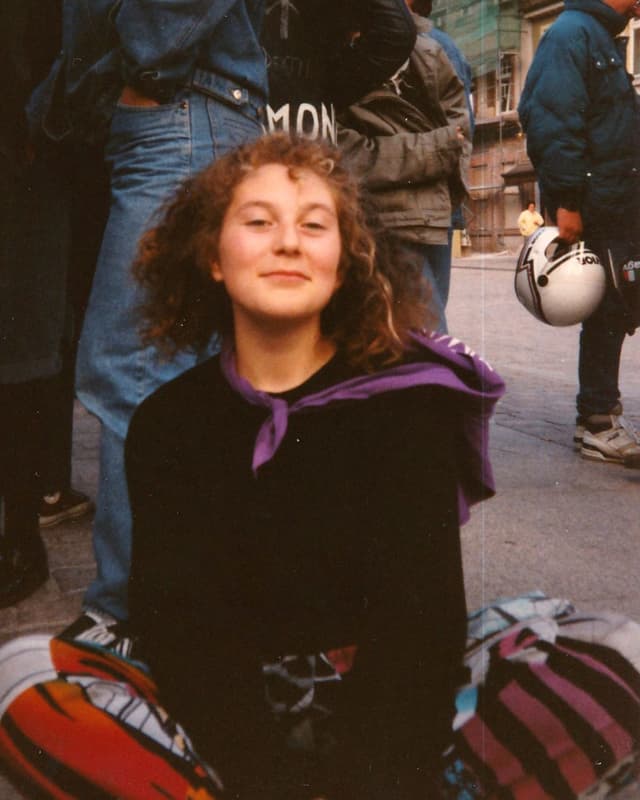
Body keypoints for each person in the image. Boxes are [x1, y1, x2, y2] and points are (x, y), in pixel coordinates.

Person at [0, 134, 505, 799]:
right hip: (228, 715)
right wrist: (262, 777)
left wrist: (373, 780)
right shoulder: (168, 423)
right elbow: (179, 627)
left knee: (614, 654)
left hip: (386, 704)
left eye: (314, 225)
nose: (288, 242)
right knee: (23, 675)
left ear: (344, 261)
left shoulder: (407, 410)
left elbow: (422, 626)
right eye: (259, 221)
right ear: (211, 255)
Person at [27, 0, 270, 637]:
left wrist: (142, 56)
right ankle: (190, 602)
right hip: (181, 113)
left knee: (133, 368)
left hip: (180, 114)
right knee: (180, 371)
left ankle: (128, 613)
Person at [518, 0, 640, 464]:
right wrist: (567, 202)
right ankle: (597, 422)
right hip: (595, 206)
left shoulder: (598, 36)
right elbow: (552, 121)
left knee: (620, 304)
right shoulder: (573, 34)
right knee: (608, 309)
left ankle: (599, 416)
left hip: (616, 202)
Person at [337, 0, 472, 331]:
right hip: (397, 218)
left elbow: (459, 130)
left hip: (425, 216)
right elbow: (455, 137)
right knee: (423, 337)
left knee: (423, 337)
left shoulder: (432, 48)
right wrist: (439, 151)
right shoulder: (337, 51)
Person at [0, 0, 68, 607]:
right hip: (28, 165)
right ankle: (19, 534)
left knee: (21, 362)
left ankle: (19, 536)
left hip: (24, 169)